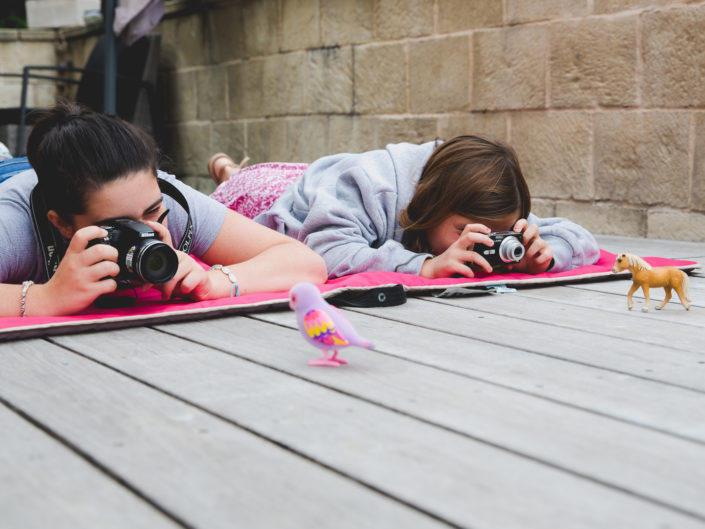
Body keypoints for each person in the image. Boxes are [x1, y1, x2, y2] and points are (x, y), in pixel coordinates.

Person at [0, 103, 326, 317]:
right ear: (63, 225)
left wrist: (215, 282)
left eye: (152, 212)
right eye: (120, 225)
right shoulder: (17, 223)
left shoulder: (168, 201)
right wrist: (45, 298)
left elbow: (306, 263)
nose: (144, 232)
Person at [207, 135, 600, 279]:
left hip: (325, 181)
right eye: (463, 232)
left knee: (304, 173)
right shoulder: (372, 186)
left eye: (494, 234)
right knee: (244, 186)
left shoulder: (481, 203)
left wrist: (544, 256)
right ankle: (228, 173)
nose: (480, 242)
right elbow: (323, 251)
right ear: (431, 204)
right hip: (275, 199)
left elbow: (578, 238)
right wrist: (424, 266)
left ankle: (228, 167)